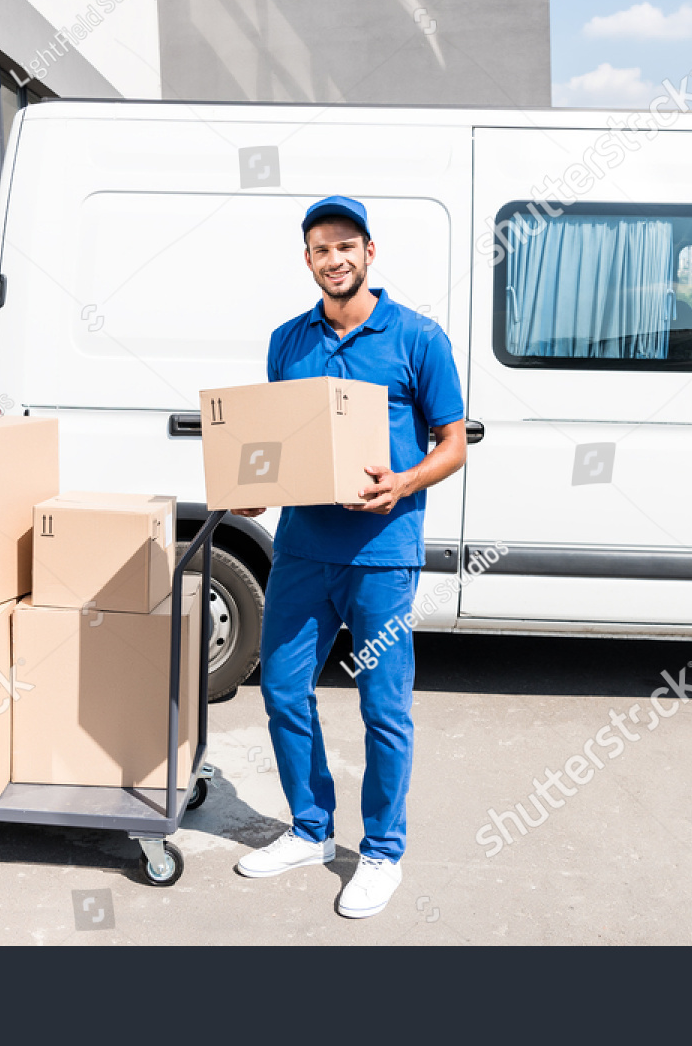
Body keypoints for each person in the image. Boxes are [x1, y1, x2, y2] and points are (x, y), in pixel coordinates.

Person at [230, 195, 467, 919]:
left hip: (382, 556)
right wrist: (255, 489)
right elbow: (277, 436)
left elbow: (453, 443)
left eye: (345, 245)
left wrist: (404, 480)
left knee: (383, 709)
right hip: (302, 548)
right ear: (307, 261)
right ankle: (309, 828)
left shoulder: (418, 337)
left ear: (369, 253)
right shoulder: (287, 339)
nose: (333, 259)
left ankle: (383, 851)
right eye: (318, 249)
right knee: (283, 692)